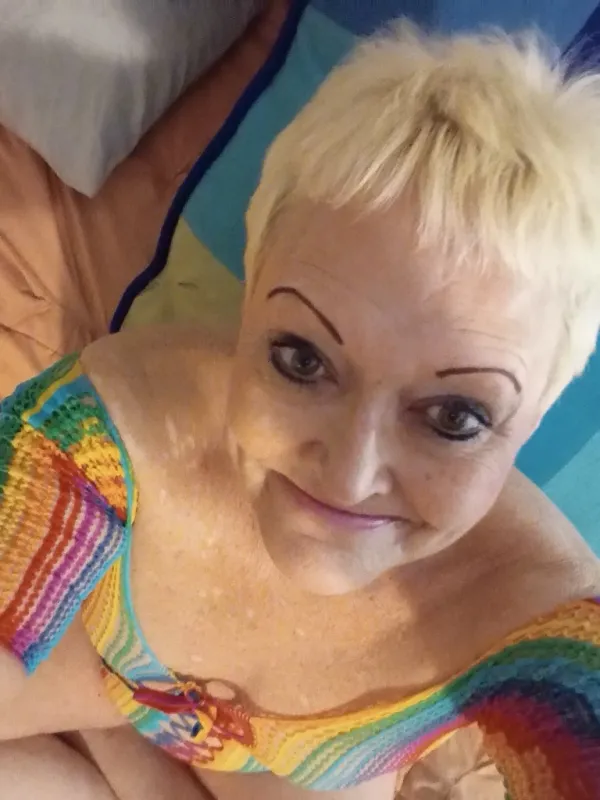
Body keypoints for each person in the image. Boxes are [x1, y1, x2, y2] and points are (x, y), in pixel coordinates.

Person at [1, 22, 600, 800]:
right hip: (96, 666)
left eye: (454, 417)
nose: (349, 473)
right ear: (249, 303)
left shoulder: (547, 626)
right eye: (302, 360)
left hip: (275, 765)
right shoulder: (103, 432)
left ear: (535, 417)